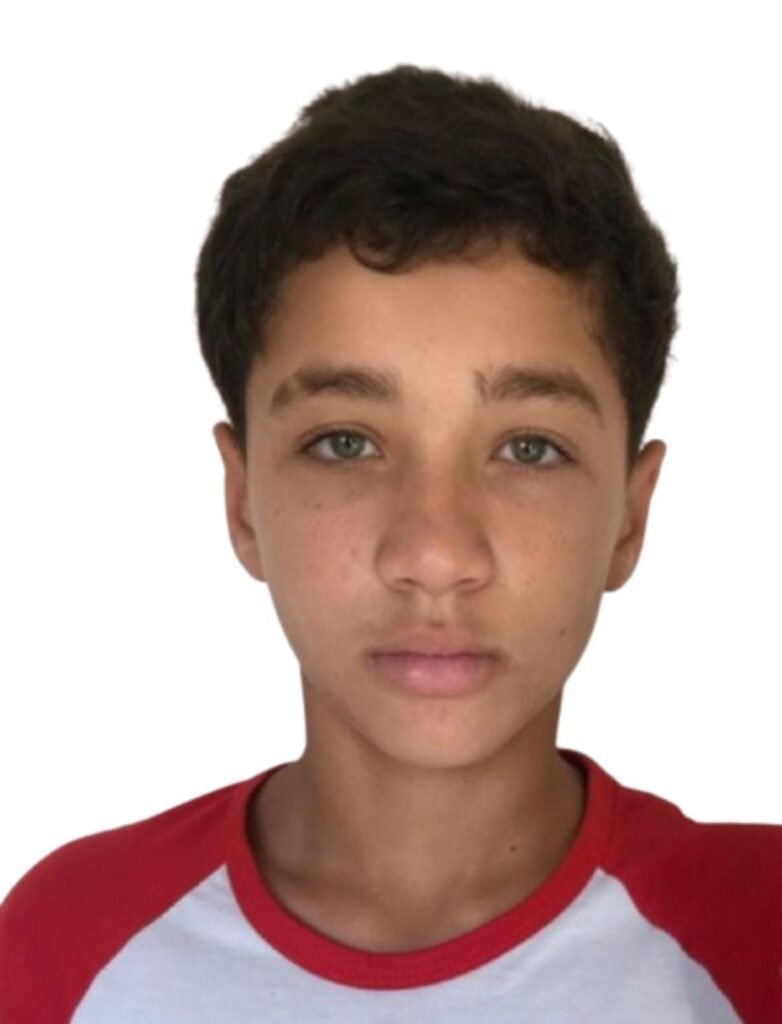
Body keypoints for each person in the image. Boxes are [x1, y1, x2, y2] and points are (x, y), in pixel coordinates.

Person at [1, 63, 779, 1023]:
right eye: (345, 443)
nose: (436, 554)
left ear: (629, 515)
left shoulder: (758, 938)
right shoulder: (69, 947)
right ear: (243, 502)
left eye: (529, 448)